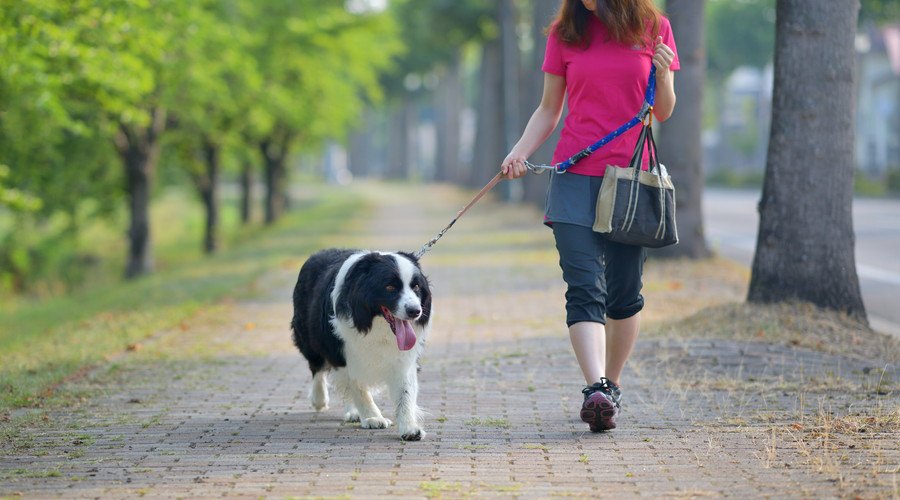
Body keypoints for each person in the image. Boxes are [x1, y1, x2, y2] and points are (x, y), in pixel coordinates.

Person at [501, 0, 679, 432]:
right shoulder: (565, 34)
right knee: (584, 286)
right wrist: (520, 151)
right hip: (573, 176)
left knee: (624, 292)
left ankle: (611, 387)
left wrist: (664, 75)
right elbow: (549, 109)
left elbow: (663, 111)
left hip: (628, 181)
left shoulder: (653, 27)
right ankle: (595, 388)